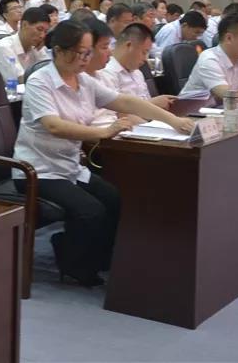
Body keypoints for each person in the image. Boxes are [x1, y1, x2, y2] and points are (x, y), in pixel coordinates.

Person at [22, 23, 191, 286]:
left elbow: (125, 101)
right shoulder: (39, 82)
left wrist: (173, 120)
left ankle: (99, 259)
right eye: (79, 53)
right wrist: (103, 132)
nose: (85, 59)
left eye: (88, 52)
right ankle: (72, 260)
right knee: (91, 211)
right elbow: (54, 126)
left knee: (114, 199)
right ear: (59, 51)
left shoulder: (84, 81)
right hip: (39, 170)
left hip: (70, 166)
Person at [97, 23, 176, 111]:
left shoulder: (137, 73)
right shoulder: (106, 73)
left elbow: (147, 103)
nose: (145, 59)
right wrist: (153, 103)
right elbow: (116, 114)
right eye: (144, 52)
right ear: (129, 45)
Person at [0, 7, 52, 83]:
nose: (42, 36)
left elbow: (49, 72)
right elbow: (20, 80)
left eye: (45, 31)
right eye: (39, 29)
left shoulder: (36, 47)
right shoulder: (4, 47)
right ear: (24, 25)